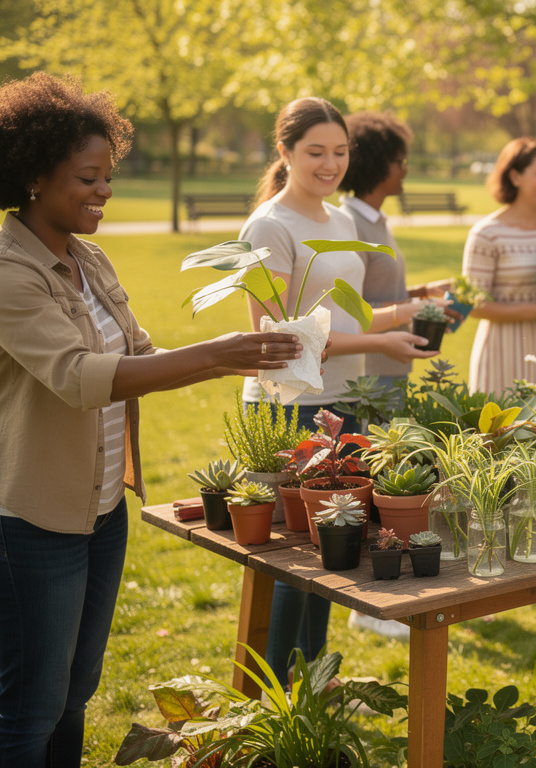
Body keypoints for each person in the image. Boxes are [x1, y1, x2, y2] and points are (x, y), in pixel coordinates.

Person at [0, 72, 302, 765]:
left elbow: (139, 353)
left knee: (76, 691)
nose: (104, 191)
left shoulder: (89, 258)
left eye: (108, 177)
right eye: (89, 178)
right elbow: (80, 380)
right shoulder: (9, 271)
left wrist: (242, 359)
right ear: (35, 177)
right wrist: (216, 354)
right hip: (32, 521)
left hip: (101, 511)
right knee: (29, 708)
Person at [240, 97, 439, 677]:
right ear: (285, 151)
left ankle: (314, 689)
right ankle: (277, 701)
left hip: (344, 404)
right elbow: (274, 338)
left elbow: (350, 318)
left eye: (340, 152)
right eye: (315, 152)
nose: (330, 165)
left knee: (334, 556)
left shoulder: (343, 220)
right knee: (294, 565)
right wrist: (379, 345)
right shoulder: (269, 226)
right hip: (293, 409)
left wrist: (410, 312)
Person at [338, 112, 461, 397]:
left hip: (390, 365)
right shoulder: (351, 225)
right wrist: (418, 305)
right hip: (368, 373)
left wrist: (422, 292)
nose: (405, 170)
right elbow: (350, 310)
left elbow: (375, 290)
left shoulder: (375, 221)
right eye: (399, 162)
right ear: (377, 165)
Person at [464, 137, 536, 394]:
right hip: (504, 351)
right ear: (515, 176)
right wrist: (535, 311)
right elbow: (475, 304)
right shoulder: (487, 234)